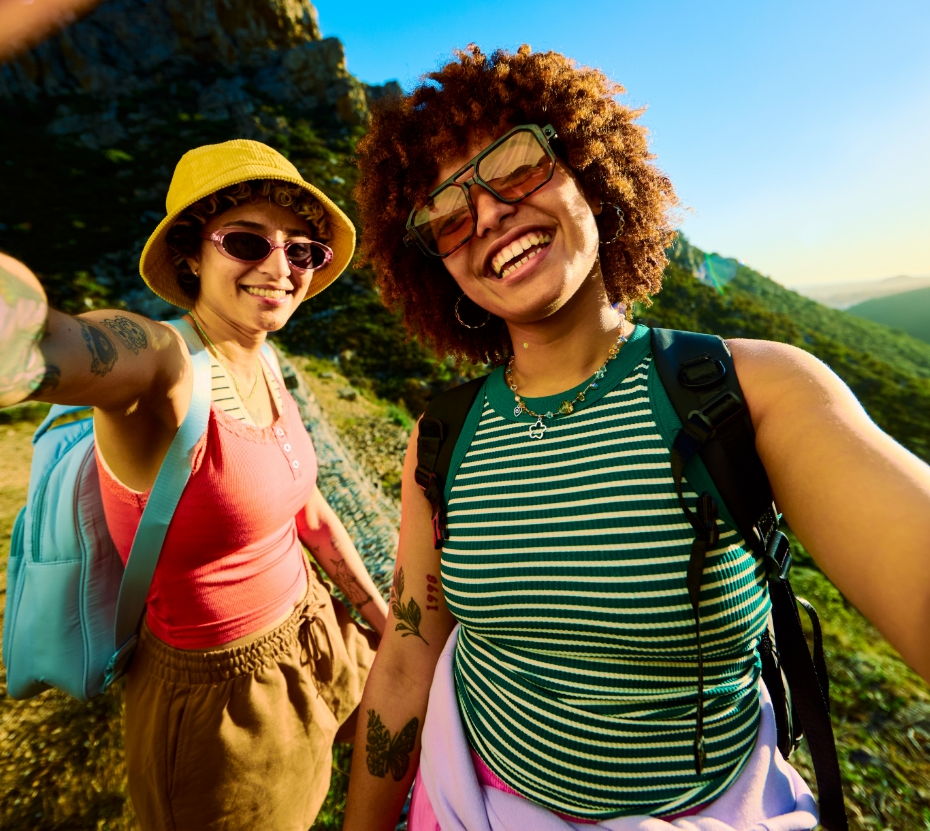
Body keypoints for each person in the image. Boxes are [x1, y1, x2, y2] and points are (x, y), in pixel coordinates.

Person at [340, 46, 930, 831]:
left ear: (586, 165)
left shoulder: (751, 392)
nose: (484, 215)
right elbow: (411, 655)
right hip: (469, 806)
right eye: (445, 217)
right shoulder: (442, 438)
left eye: (514, 166)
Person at [0, 138, 388, 831]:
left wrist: (378, 618)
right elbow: (68, 347)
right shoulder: (165, 368)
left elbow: (311, 511)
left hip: (316, 628)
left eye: (302, 251)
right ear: (190, 254)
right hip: (222, 707)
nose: (281, 267)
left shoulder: (266, 359)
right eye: (246, 242)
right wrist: (26, 340)